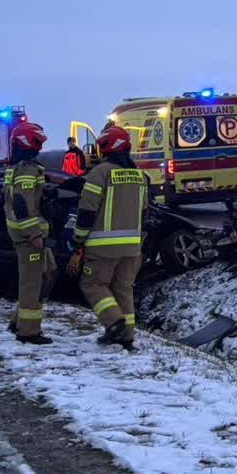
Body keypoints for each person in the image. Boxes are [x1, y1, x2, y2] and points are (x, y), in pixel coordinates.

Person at [72, 125, 148, 349]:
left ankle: (114, 323)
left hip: (102, 247)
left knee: (93, 285)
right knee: (123, 289)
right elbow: (144, 211)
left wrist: (78, 238)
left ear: (104, 146)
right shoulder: (139, 176)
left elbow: (87, 209)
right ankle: (127, 336)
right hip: (132, 247)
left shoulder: (100, 173)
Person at [3, 122, 56, 344]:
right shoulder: (26, 168)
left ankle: (17, 321)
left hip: (29, 235)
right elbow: (22, 202)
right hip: (29, 237)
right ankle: (28, 331)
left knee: (48, 272)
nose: (40, 148)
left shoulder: (21, 167)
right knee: (32, 283)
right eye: (38, 142)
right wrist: (33, 234)